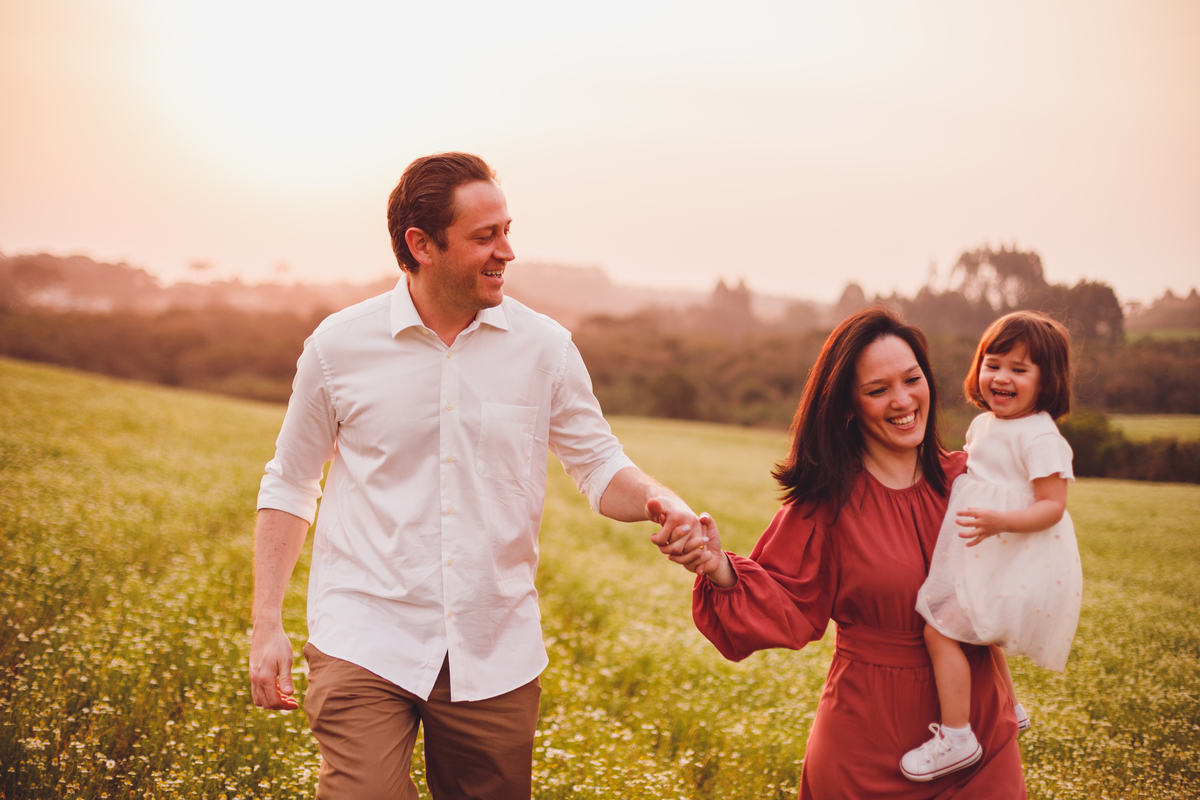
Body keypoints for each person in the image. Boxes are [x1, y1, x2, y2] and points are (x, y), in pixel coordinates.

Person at [248, 152, 701, 800]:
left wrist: (662, 500)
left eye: (507, 231)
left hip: (495, 650)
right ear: (421, 244)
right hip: (364, 635)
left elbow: (599, 465)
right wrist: (267, 624)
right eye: (485, 236)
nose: (507, 252)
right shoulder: (337, 346)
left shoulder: (545, 349)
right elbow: (290, 481)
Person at [655, 307, 1026, 798]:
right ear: (848, 406)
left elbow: (1028, 573)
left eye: (912, 379)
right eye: (878, 390)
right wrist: (717, 566)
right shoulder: (825, 504)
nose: (902, 400)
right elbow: (785, 603)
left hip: (978, 740)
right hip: (866, 747)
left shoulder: (973, 480)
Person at [902, 311, 1082, 781]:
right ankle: (1011, 708)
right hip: (983, 551)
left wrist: (1001, 520)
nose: (1001, 377)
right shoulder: (984, 425)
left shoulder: (1041, 436)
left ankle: (957, 736)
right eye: (993, 363)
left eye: (1019, 370)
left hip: (1009, 554)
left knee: (939, 631)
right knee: (982, 635)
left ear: (1047, 382)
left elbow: (1052, 506)